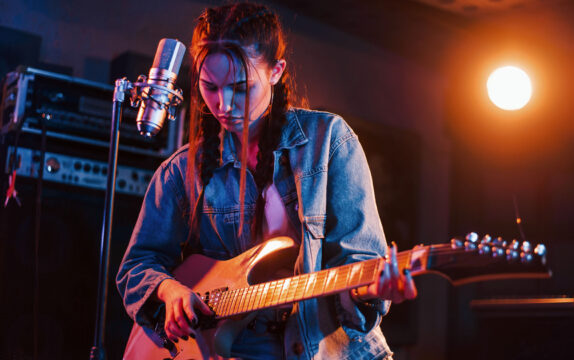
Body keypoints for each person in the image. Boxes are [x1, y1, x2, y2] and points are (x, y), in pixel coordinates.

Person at [116, 3, 417, 359]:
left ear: (276, 71)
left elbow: (358, 262)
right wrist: (168, 291)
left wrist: (373, 290)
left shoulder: (330, 141)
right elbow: (137, 264)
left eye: (241, 88)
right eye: (209, 87)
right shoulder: (181, 170)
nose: (223, 104)